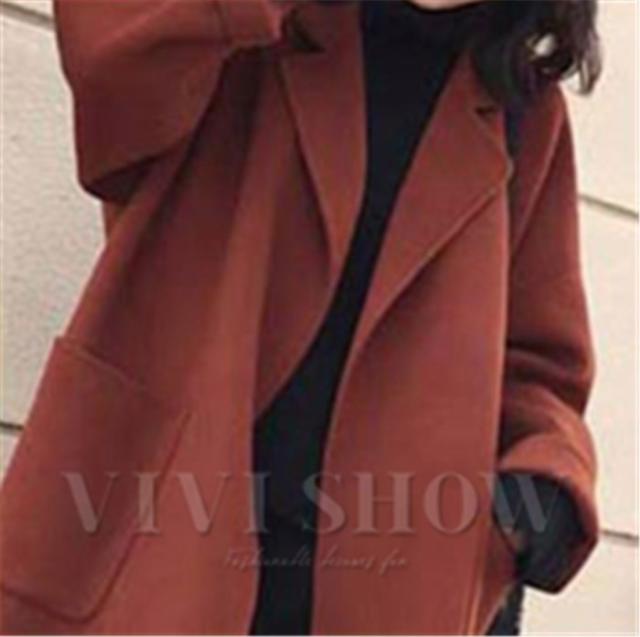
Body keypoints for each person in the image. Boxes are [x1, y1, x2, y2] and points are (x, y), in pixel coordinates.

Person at [0, 1, 601, 635]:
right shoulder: (255, 32)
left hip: (392, 575)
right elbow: (108, 60)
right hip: (151, 550)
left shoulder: (522, 113)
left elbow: (539, 363)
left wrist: (538, 491)